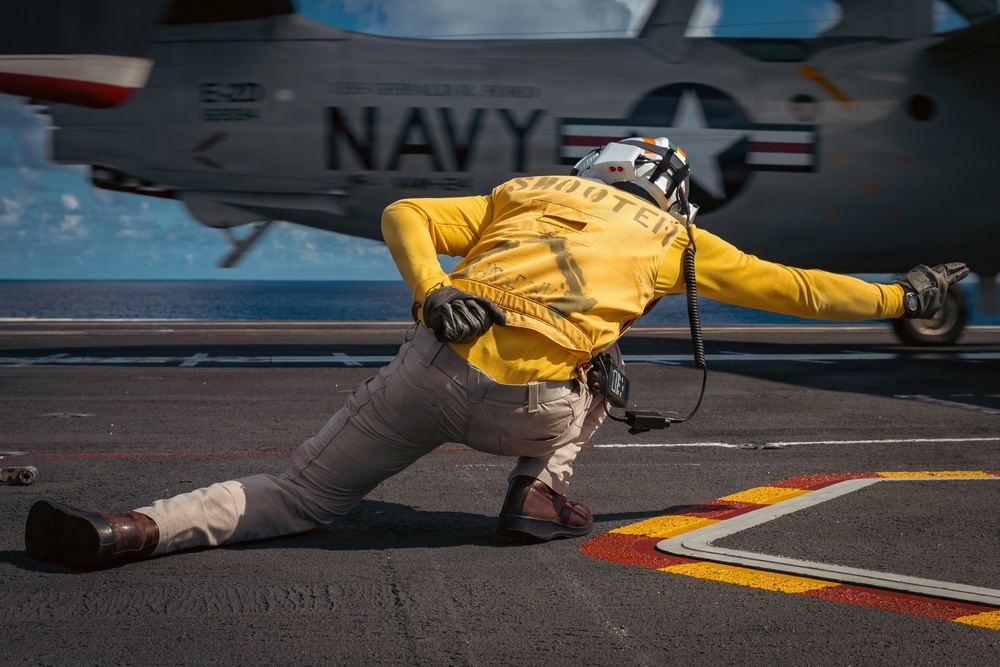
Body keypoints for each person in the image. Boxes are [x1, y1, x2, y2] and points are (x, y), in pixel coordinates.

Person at [24, 137, 969, 568]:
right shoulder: (682, 241)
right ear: (669, 195)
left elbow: (403, 214)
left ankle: (128, 530)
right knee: (607, 368)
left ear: (599, 169)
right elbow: (800, 287)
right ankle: (539, 491)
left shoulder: (524, 190)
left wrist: (434, 290)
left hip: (434, 366)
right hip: (542, 403)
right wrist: (908, 293)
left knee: (296, 498)